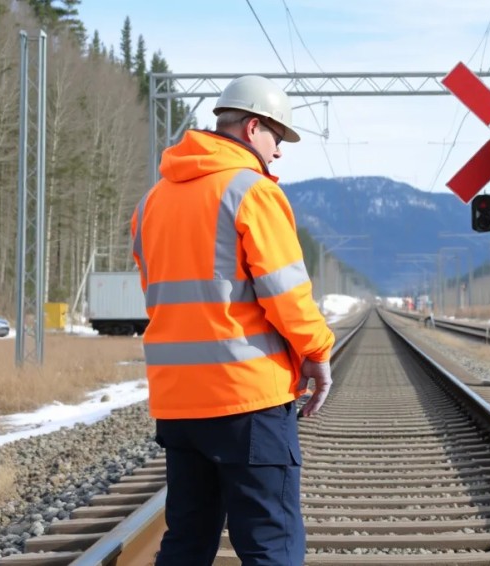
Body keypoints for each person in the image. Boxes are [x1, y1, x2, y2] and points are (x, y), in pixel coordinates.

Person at [130, 75, 334, 566]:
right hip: (248, 400)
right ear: (252, 128)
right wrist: (317, 353)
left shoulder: (152, 201)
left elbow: (158, 294)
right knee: (270, 544)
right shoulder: (251, 190)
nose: (279, 153)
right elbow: (287, 294)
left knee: (186, 542)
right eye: (277, 138)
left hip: (178, 403)